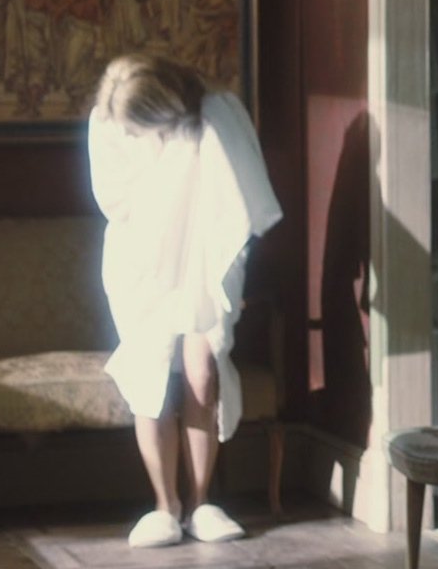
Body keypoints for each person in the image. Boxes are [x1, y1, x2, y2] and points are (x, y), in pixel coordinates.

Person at [88, 54, 281, 547]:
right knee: (150, 375)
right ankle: (164, 506)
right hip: (141, 261)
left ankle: (201, 502)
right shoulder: (105, 121)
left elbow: (238, 195)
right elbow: (114, 198)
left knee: (203, 370)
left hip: (204, 256)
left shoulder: (217, 112)